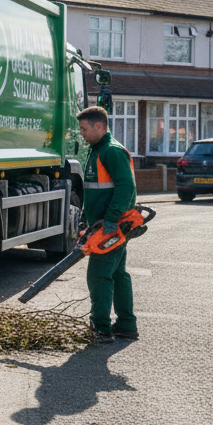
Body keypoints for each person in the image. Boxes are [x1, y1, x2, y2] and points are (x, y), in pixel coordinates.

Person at [77, 105, 137, 342]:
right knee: (118, 274)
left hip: (111, 226)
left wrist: (111, 219)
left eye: (84, 129)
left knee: (99, 275)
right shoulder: (97, 149)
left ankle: (101, 329)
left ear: (99, 126)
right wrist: (85, 220)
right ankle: (126, 325)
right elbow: (92, 191)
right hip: (104, 226)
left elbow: (126, 187)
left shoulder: (111, 151)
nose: (81, 133)